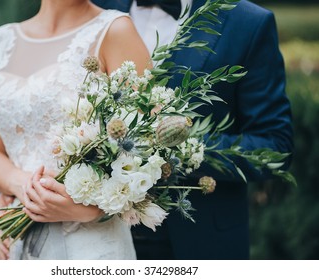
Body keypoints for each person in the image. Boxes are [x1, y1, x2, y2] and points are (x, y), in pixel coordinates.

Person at [89, 0, 293, 259]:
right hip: (96, 236)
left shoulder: (247, 22)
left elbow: (275, 145)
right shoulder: (95, 8)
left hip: (196, 240)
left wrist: (177, 149)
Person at [0, 0, 150, 259]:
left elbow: (146, 152)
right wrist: (22, 186)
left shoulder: (115, 30)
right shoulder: (0, 41)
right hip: (20, 238)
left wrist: (91, 210)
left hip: (91, 245)